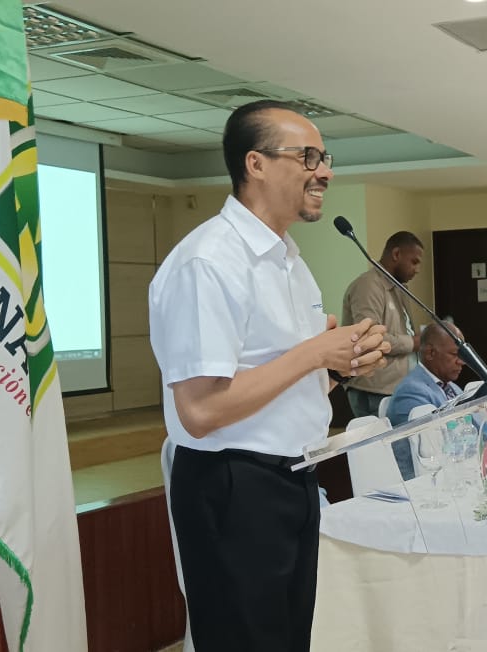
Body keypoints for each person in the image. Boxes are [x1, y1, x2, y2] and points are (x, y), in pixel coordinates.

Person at [149, 100, 391, 651]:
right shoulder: (209, 262)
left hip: (294, 478)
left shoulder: (289, 263)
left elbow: (286, 382)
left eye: (324, 158)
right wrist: (314, 353)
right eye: (307, 157)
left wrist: (343, 364)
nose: (324, 172)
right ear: (255, 164)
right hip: (234, 486)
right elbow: (202, 410)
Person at [341, 230, 425, 417]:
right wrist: (413, 342)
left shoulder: (399, 288)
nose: (417, 269)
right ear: (396, 254)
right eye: (414, 262)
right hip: (374, 390)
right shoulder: (368, 286)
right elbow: (370, 337)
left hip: (398, 386)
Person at [385, 323, 465, 477]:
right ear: (430, 353)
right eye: (455, 354)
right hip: (422, 480)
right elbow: (439, 445)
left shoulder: (452, 387)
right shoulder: (411, 391)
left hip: (449, 472)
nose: (461, 362)